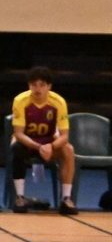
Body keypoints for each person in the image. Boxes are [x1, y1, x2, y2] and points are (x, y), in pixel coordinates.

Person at [10, 67, 78, 215]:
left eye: (42, 85)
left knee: (69, 149)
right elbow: (19, 133)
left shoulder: (58, 102)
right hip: (28, 141)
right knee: (16, 148)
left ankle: (66, 198)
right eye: (34, 85)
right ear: (29, 86)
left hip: (49, 141)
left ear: (49, 86)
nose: (37, 89)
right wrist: (39, 147)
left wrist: (51, 146)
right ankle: (20, 197)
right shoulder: (20, 100)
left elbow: (64, 135)